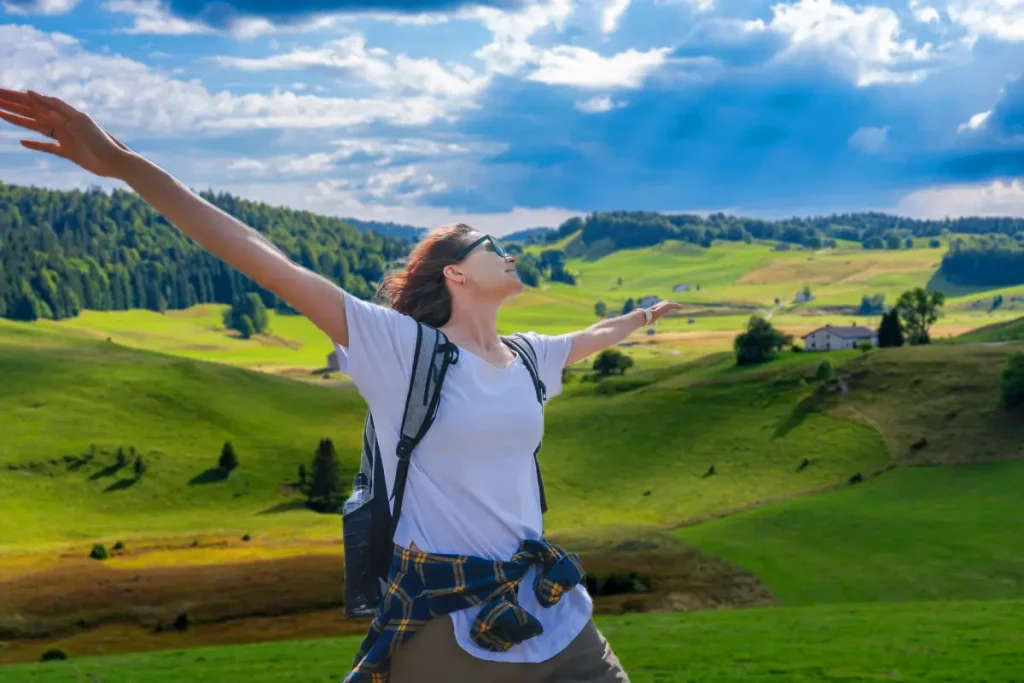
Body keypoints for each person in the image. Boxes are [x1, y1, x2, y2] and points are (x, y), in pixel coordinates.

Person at [0, 89, 683, 682]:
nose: (509, 254)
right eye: (490, 246)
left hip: (554, 610)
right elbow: (266, 260)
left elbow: (596, 337)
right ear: (456, 273)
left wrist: (642, 316)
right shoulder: (401, 348)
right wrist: (122, 164)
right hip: (450, 629)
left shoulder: (532, 358)